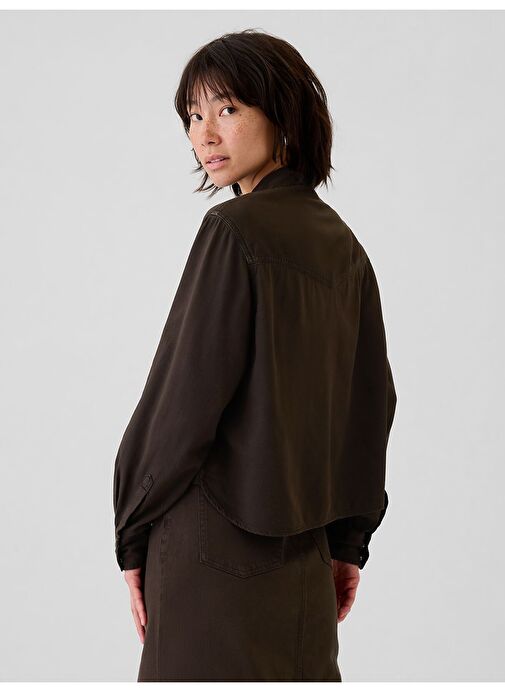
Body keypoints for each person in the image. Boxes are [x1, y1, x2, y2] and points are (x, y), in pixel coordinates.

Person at [112, 28, 397, 682]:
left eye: (228, 108)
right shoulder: (342, 245)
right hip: (305, 557)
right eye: (193, 116)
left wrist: (131, 531)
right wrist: (347, 542)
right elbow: (370, 407)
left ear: (283, 113)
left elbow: (181, 405)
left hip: (210, 552)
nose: (205, 134)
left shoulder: (233, 229)